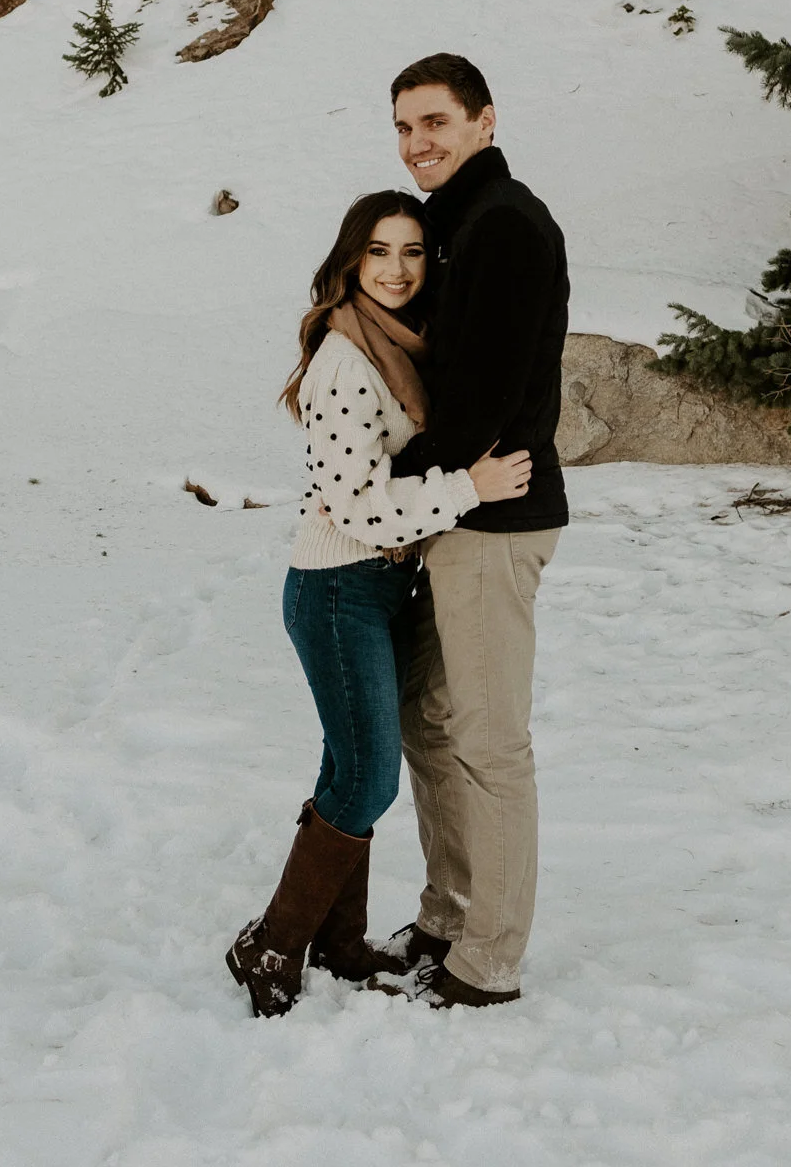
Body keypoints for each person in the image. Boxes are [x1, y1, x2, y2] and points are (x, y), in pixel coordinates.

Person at [226, 191, 534, 1019]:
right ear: (350, 262)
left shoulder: (398, 345)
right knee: (366, 778)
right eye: (377, 252)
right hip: (337, 591)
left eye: (411, 253)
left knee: (346, 765)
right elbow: (357, 506)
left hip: (378, 586)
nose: (396, 270)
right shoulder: (345, 362)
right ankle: (272, 942)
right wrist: (469, 488)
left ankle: (336, 938)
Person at [380, 54, 570, 1008]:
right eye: (405, 127)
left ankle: (487, 958)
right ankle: (449, 911)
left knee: (490, 742)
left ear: (485, 122)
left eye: (437, 122)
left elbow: (484, 396)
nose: (419, 143)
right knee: (427, 713)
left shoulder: (503, 226)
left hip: (495, 517)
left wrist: (395, 490)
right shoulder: (453, 227)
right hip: (457, 510)